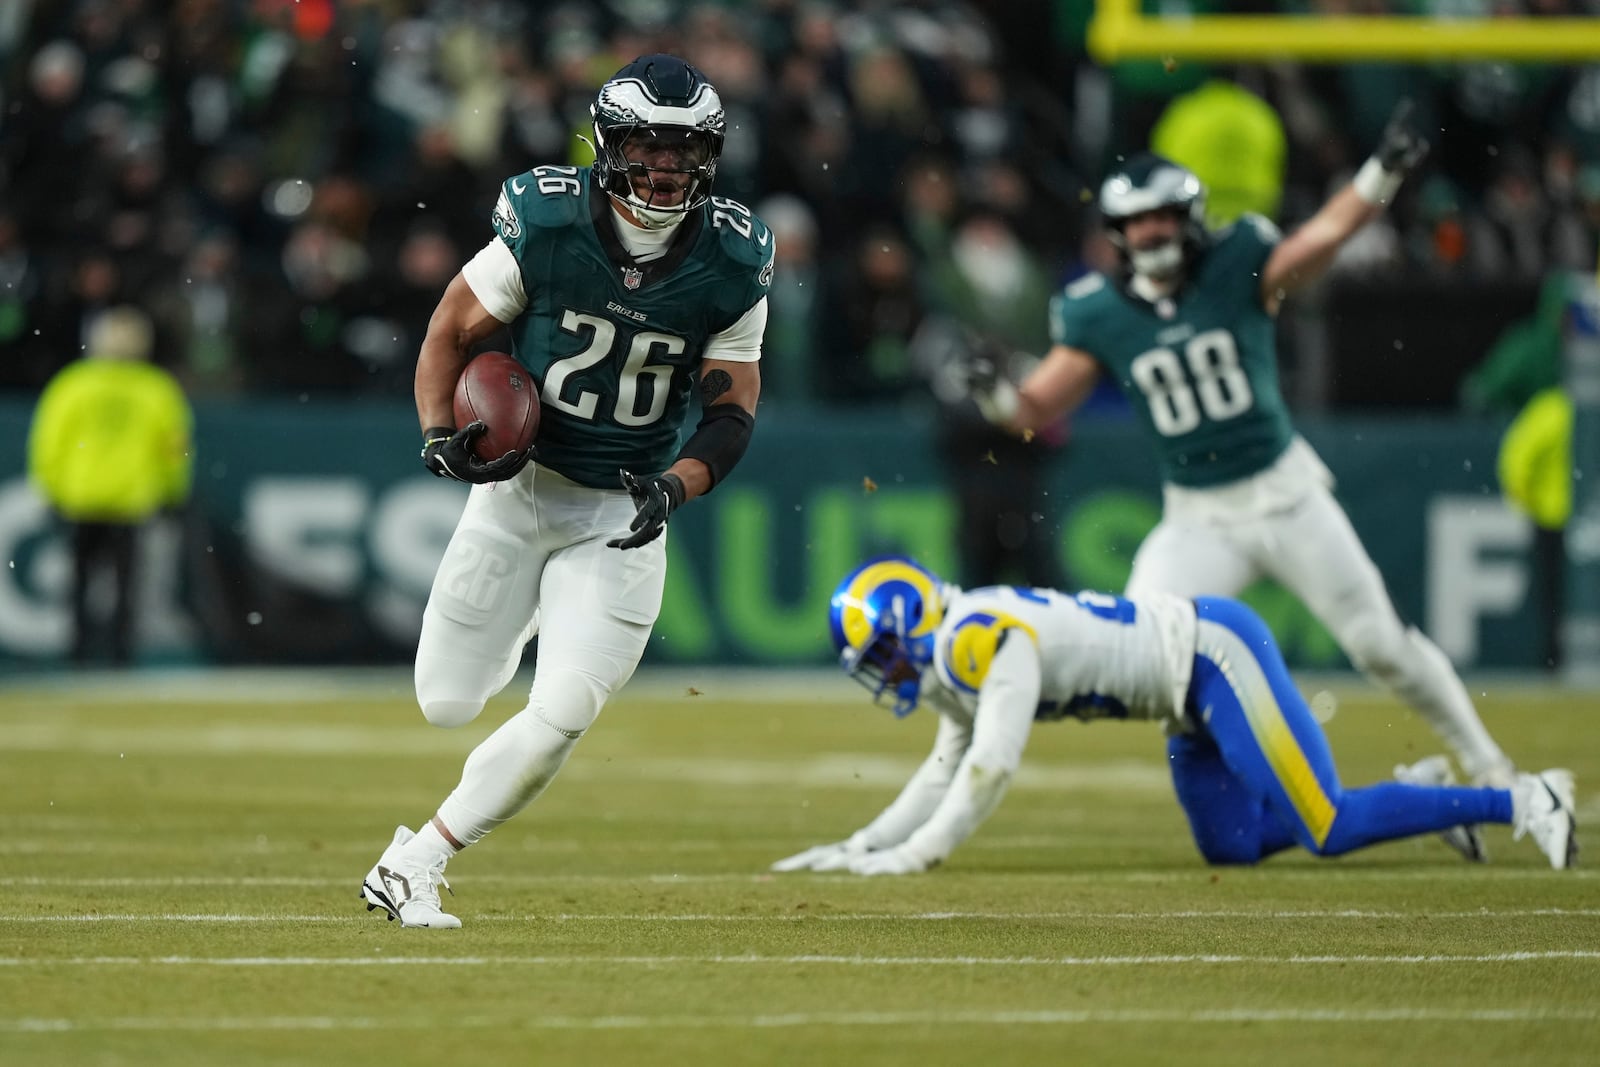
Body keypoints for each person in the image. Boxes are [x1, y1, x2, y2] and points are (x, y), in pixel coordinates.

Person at [963, 100, 1520, 801]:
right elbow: (1034, 409)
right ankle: (1255, 790)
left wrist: (1383, 172)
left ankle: (1489, 763)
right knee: (1142, 660)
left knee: (1381, 643)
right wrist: (991, 390)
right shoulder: (1099, 313)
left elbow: (1322, 237)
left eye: (1163, 214)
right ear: (1116, 233)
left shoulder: (1237, 265)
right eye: (1137, 220)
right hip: (1197, 516)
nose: (1152, 229)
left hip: (1285, 493)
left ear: (1190, 217)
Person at [361, 54, 772, 929]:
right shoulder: (548, 221)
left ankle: (416, 859)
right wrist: (441, 435)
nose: (665, 168)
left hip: (621, 509)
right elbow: (451, 326)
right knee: (448, 701)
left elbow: (732, 412)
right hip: (521, 491)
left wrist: (676, 485)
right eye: (648, 146)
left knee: (564, 711)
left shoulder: (735, 259)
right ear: (607, 144)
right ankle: (545, 600)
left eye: (684, 150)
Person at [772, 557, 1578, 876]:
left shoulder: (978, 640)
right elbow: (949, 761)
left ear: (911, 617)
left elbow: (993, 765)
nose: (888, 672)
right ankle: (1415, 794)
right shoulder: (958, 650)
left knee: (1325, 824)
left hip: (1210, 657)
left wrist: (916, 856)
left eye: (884, 652)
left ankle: (1526, 798)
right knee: (1229, 847)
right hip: (1178, 701)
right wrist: (861, 844)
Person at [26, 305, 194, 666]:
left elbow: (48, 441)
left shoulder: (74, 385)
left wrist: (49, 487)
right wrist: (173, 491)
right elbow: (175, 448)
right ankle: (120, 653)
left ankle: (79, 650)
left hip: (82, 494)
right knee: (125, 583)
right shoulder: (156, 389)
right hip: (131, 497)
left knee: (80, 580)